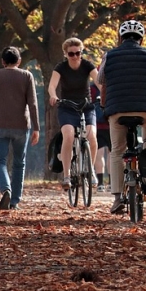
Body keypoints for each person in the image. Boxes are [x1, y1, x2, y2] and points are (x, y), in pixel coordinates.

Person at [97, 20, 146, 214]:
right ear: (141, 38)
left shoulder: (109, 56)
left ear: (121, 37)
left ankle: (117, 198)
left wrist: (104, 105)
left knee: (117, 151)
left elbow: (102, 83)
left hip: (118, 110)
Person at [0, 46, 40, 210]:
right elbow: (32, 104)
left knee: (0, 161)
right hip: (21, 125)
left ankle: (5, 188)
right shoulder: (27, 75)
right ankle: (14, 200)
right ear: (19, 61)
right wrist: (36, 128)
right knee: (19, 163)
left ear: (3, 61)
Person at [48, 37, 99, 191]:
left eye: (78, 53)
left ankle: (90, 171)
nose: (75, 57)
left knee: (92, 136)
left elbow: (99, 81)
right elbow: (52, 85)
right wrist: (53, 96)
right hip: (67, 107)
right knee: (68, 135)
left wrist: (104, 94)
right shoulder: (61, 68)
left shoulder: (87, 65)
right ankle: (67, 175)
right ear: (66, 54)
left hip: (86, 106)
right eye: (71, 54)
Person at [90, 83, 112, 191]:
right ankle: (112, 183)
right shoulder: (112, 85)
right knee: (112, 154)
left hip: (97, 124)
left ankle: (100, 183)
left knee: (99, 154)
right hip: (111, 123)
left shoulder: (92, 88)